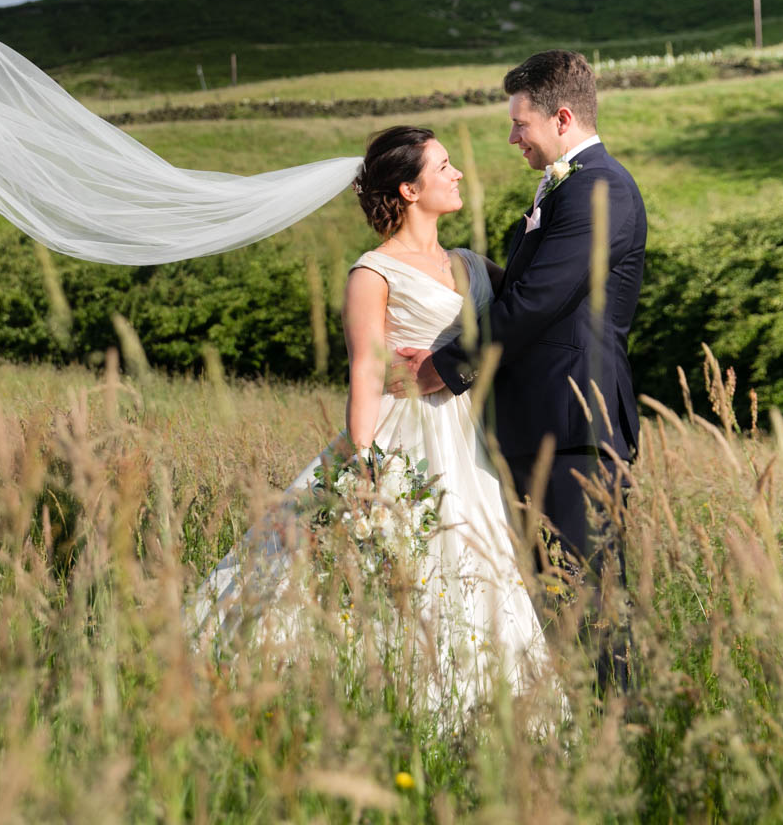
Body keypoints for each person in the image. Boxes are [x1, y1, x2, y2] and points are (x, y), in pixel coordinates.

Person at [189, 125, 552, 709]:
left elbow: (524, 319)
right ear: (409, 190)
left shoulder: (471, 264)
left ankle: (492, 709)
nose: (457, 173)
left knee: (482, 578)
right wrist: (369, 474)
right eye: (444, 166)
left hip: (470, 443)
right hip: (401, 440)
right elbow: (364, 378)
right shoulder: (372, 274)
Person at [396, 50, 646, 693]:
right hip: (540, 426)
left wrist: (445, 368)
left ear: (562, 118)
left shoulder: (600, 187)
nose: (513, 139)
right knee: (551, 604)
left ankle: (617, 740)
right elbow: (543, 288)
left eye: (520, 125)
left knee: (589, 604)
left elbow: (538, 303)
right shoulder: (572, 185)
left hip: (574, 425)